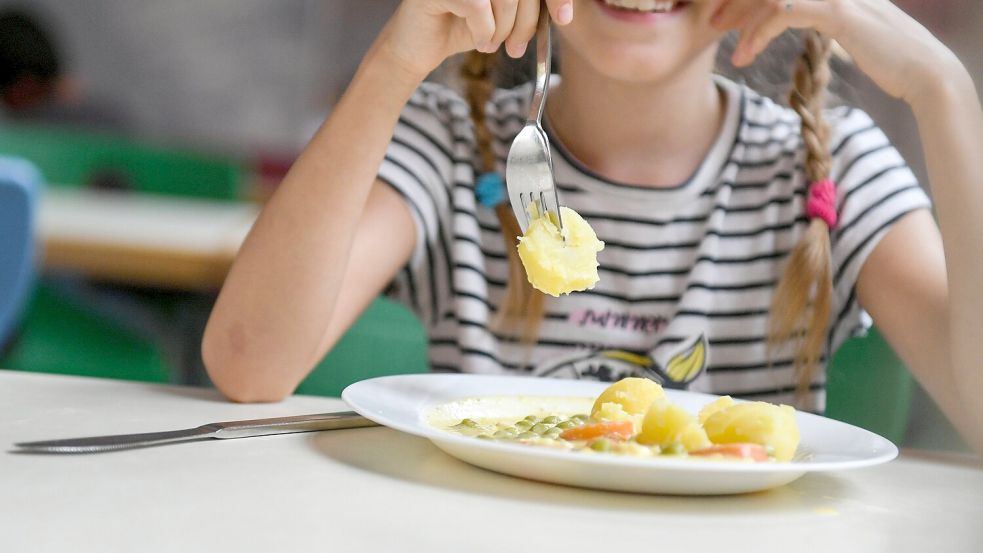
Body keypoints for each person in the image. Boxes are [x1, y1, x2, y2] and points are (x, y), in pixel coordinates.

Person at [202, 0, 983, 452]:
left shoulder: (831, 165)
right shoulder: (449, 141)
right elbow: (247, 365)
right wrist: (391, 65)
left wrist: (941, 88)